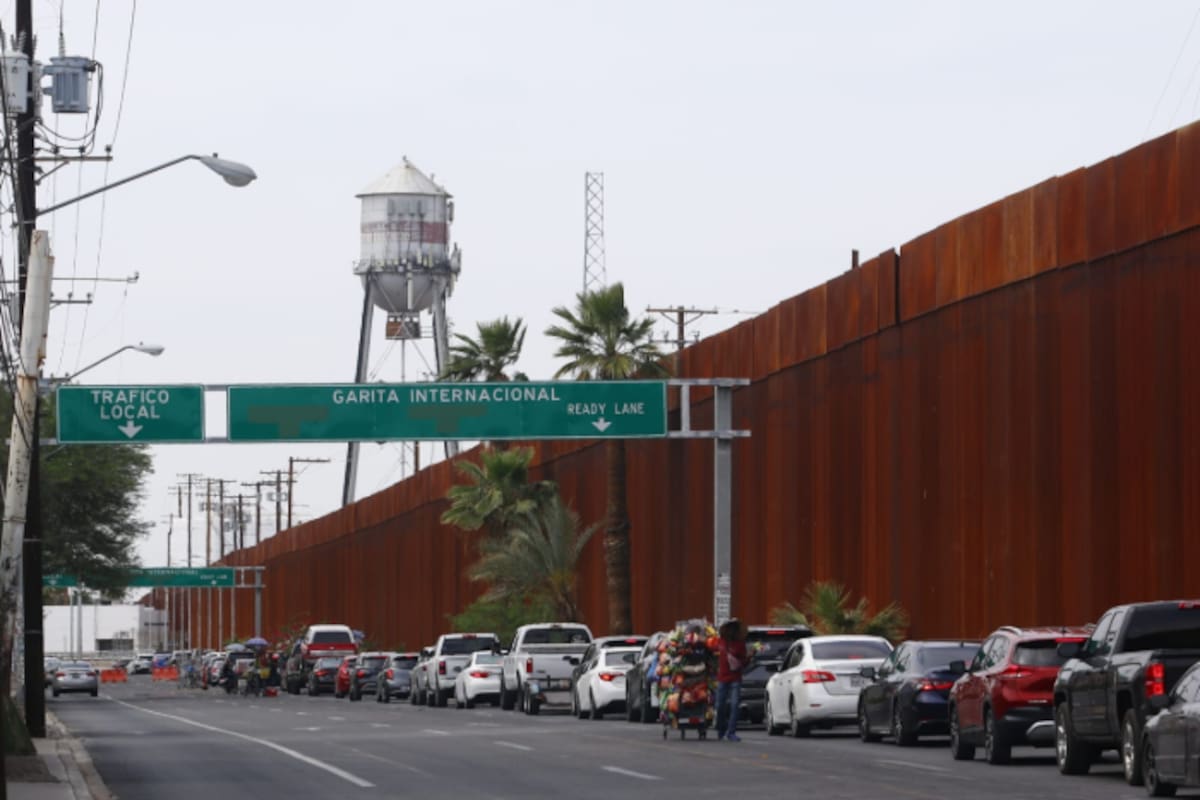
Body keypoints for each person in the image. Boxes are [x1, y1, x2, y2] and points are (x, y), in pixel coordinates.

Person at [715, 618, 748, 742]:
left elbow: (744, 662)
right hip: (722, 678)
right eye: (730, 629)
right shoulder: (721, 642)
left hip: (735, 678)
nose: (731, 631)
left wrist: (748, 657)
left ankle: (731, 732)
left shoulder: (740, 644)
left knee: (734, 705)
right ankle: (721, 729)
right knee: (719, 705)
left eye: (734, 629)